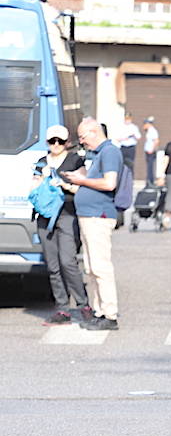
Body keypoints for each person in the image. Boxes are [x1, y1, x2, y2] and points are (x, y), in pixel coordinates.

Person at [62, 117, 124, 331]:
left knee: (101, 267)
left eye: (83, 137)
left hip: (99, 215)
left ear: (94, 132)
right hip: (89, 214)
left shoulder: (109, 152)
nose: (82, 142)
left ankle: (109, 314)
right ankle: (99, 311)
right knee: (91, 267)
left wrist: (81, 181)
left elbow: (109, 183)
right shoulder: (99, 153)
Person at [31, 125, 92, 326]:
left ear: (67, 142)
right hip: (45, 217)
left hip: (67, 214)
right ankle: (62, 309)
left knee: (68, 262)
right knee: (53, 266)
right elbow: (33, 189)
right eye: (52, 141)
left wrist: (65, 184)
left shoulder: (75, 160)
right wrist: (43, 178)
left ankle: (83, 304)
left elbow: (83, 187)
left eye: (60, 141)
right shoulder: (41, 162)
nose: (56, 145)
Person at [142, 116, 159, 186]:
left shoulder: (153, 131)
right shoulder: (149, 131)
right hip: (148, 151)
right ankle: (149, 180)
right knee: (149, 167)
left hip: (151, 152)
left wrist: (152, 149)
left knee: (150, 167)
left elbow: (156, 141)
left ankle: (150, 181)